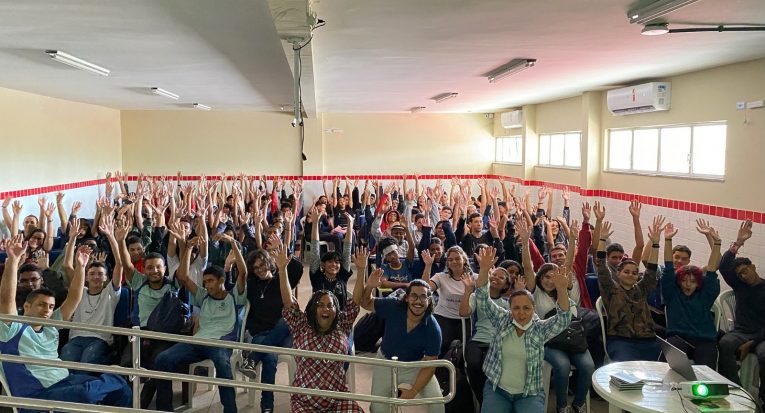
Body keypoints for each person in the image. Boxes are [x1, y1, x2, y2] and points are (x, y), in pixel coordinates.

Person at [0, 234, 131, 408]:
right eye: (41, 305)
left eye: (50, 306)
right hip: (39, 394)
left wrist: (81, 267)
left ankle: (117, 378)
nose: (47, 310)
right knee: (87, 393)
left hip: (65, 381)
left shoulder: (51, 326)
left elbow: (74, 298)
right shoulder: (11, 328)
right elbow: (5, 299)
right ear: (26, 306)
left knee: (122, 390)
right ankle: (116, 375)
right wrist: (12, 261)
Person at [153, 230, 248, 413]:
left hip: (220, 343)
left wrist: (233, 243)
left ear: (221, 280)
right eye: (205, 282)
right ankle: (165, 409)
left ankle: (230, 410)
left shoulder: (234, 296)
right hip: (197, 342)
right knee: (162, 359)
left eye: (210, 281)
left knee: (223, 365)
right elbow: (183, 277)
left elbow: (243, 272)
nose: (207, 285)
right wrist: (188, 247)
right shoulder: (203, 296)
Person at [475, 246, 572, 413]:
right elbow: (482, 299)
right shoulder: (503, 319)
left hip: (529, 393)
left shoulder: (540, 329)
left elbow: (563, 318)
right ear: (509, 308)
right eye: (516, 308)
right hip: (497, 389)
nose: (521, 313)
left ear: (534, 309)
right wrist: (484, 271)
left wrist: (562, 290)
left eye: (526, 308)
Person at [278, 241, 365, 412]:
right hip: (304, 401)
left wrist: (361, 270)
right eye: (320, 305)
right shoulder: (301, 324)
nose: (325, 309)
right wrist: (282, 270)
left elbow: (355, 302)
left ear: (336, 310)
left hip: (338, 398)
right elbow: (288, 302)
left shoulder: (343, 323)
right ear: (313, 309)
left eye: (330, 305)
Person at [519, 218, 592, 413]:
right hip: (548, 341)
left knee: (588, 366)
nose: (550, 281)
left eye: (554, 277)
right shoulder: (535, 291)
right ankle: (561, 406)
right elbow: (528, 267)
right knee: (563, 365)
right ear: (540, 278)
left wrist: (573, 240)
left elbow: (567, 264)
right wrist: (525, 242)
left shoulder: (563, 289)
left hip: (572, 338)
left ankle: (578, 404)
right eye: (546, 277)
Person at [360, 275, 443, 413]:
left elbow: (430, 364)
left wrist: (414, 391)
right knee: (378, 409)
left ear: (429, 301)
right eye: (414, 296)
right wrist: (369, 286)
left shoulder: (433, 328)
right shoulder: (393, 306)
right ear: (406, 298)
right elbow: (365, 303)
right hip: (386, 362)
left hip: (415, 365)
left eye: (423, 297)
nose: (418, 301)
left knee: (438, 404)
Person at [60, 216, 123, 369]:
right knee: (66, 362)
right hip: (76, 339)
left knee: (87, 362)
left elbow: (119, 265)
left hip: (99, 340)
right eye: (92, 273)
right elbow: (67, 266)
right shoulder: (79, 291)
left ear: (106, 277)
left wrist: (111, 236)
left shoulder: (110, 292)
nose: (96, 277)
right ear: (86, 277)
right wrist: (72, 238)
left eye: (100, 274)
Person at [597, 215, 662, 362]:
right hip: (621, 340)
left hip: (647, 340)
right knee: (628, 369)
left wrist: (655, 244)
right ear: (618, 274)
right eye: (626, 272)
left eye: (634, 273)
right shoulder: (611, 289)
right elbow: (601, 265)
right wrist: (602, 240)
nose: (631, 275)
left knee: (662, 368)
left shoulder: (641, 289)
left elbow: (651, 270)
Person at [661, 219, 721, 369]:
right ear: (678, 281)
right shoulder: (672, 294)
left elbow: (712, 270)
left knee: (706, 372)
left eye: (693, 282)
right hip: (678, 338)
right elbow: (668, 267)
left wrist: (717, 243)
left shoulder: (705, 296)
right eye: (684, 281)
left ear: (699, 283)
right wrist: (668, 240)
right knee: (670, 358)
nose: (688, 285)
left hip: (704, 340)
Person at [717, 220, 765, 394]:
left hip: (761, 335)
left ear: (753, 267)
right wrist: (738, 243)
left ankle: (762, 396)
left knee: (764, 354)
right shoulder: (740, 286)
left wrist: (752, 343)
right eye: (740, 274)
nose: (743, 276)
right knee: (725, 343)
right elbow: (723, 266)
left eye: (745, 271)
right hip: (741, 332)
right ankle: (736, 389)